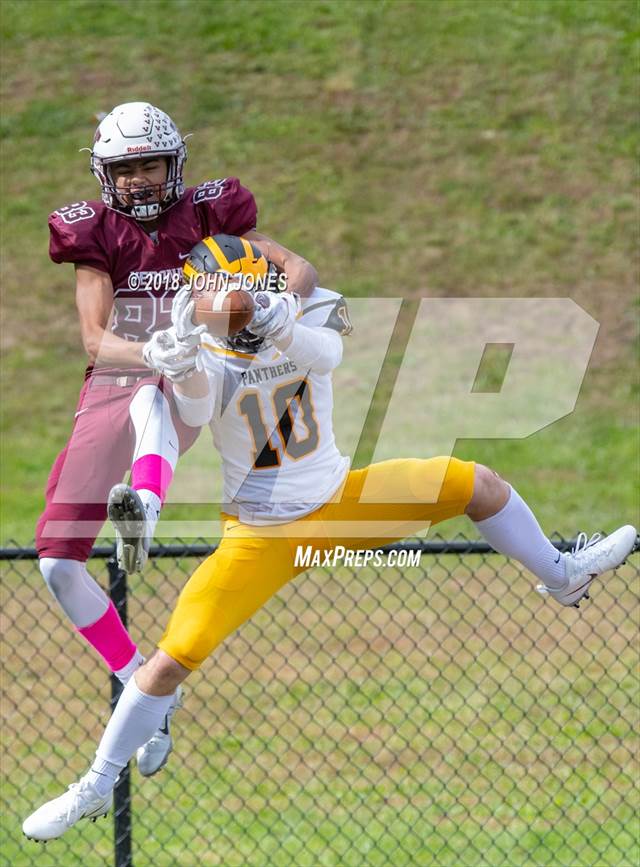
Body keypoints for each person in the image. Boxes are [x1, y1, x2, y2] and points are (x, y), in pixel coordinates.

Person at [23, 246, 637, 841]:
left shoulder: (303, 310)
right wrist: (180, 364)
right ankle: (96, 785)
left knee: (477, 484)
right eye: (212, 293)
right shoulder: (201, 350)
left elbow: (328, 351)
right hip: (259, 535)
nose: (223, 302)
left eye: (232, 289)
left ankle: (562, 575)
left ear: (261, 284)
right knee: (171, 657)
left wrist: (276, 326)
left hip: (342, 504)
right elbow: (197, 400)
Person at [34, 102, 318, 777]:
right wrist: (150, 348)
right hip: (118, 378)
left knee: (155, 398)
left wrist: (285, 307)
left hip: (195, 375)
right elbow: (95, 339)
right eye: (124, 169)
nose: (137, 180)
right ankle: (146, 687)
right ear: (106, 174)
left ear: (175, 164)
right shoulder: (95, 233)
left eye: (149, 165)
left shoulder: (207, 217)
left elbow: (295, 267)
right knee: (56, 564)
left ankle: (147, 504)